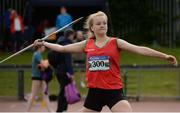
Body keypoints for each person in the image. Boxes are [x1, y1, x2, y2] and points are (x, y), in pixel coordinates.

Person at [34, 11, 178, 112]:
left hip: (113, 91)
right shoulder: (87, 44)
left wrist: (164, 56)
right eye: (99, 23)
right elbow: (62, 48)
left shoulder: (116, 42)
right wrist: (44, 43)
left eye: (104, 23)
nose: (102, 25)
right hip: (95, 92)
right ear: (92, 27)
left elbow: (140, 49)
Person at [48, 29, 75, 112]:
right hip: (64, 71)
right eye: (73, 36)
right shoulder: (66, 45)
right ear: (70, 35)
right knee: (64, 90)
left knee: (63, 89)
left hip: (58, 70)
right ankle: (61, 109)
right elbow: (68, 61)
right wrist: (71, 73)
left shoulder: (59, 43)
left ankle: (62, 108)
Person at [26, 45, 53, 112]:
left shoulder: (39, 55)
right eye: (43, 47)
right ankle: (27, 111)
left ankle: (49, 110)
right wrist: (50, 62)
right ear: (39, 47)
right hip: (36, 77)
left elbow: (42, 66)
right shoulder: (37, 54)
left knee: (45, 94)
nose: (44, 48)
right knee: (33, 94)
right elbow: (44, 64)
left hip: (41, 77)